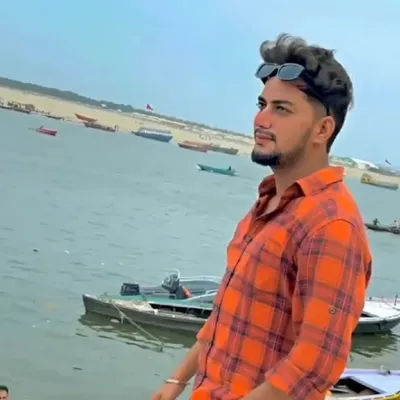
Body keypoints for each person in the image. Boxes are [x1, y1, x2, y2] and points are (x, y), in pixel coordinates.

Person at [152, 33, 372, 400]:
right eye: (262, 104)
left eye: (281, 109)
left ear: (322, 130)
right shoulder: (270, 203)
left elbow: (314, 365)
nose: (261, 119)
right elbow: (227, 316)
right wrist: (177, 381)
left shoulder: (331, 225)